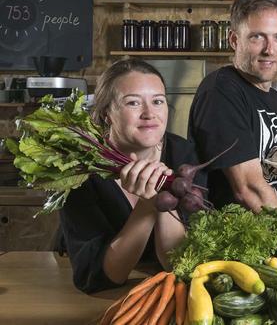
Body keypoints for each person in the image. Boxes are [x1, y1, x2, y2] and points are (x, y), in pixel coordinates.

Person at [58, 59, 202, 293]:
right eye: (133, 103)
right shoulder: (79, 171)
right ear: (107, 114)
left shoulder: (184, 156)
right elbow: (103, 278)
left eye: (158, 101)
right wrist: (147, 206)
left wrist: (162, 197)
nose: (149, 114)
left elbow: (179, 264)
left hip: (167, 291)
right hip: (106, 296)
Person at [188, 0, 277, 213]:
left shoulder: (275, 100)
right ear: (234, 40)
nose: (269, 49)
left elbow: (268, 169)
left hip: (274, 233)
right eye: (257, 37)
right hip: (240, 239)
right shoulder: (222, 92)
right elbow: (248, 189)